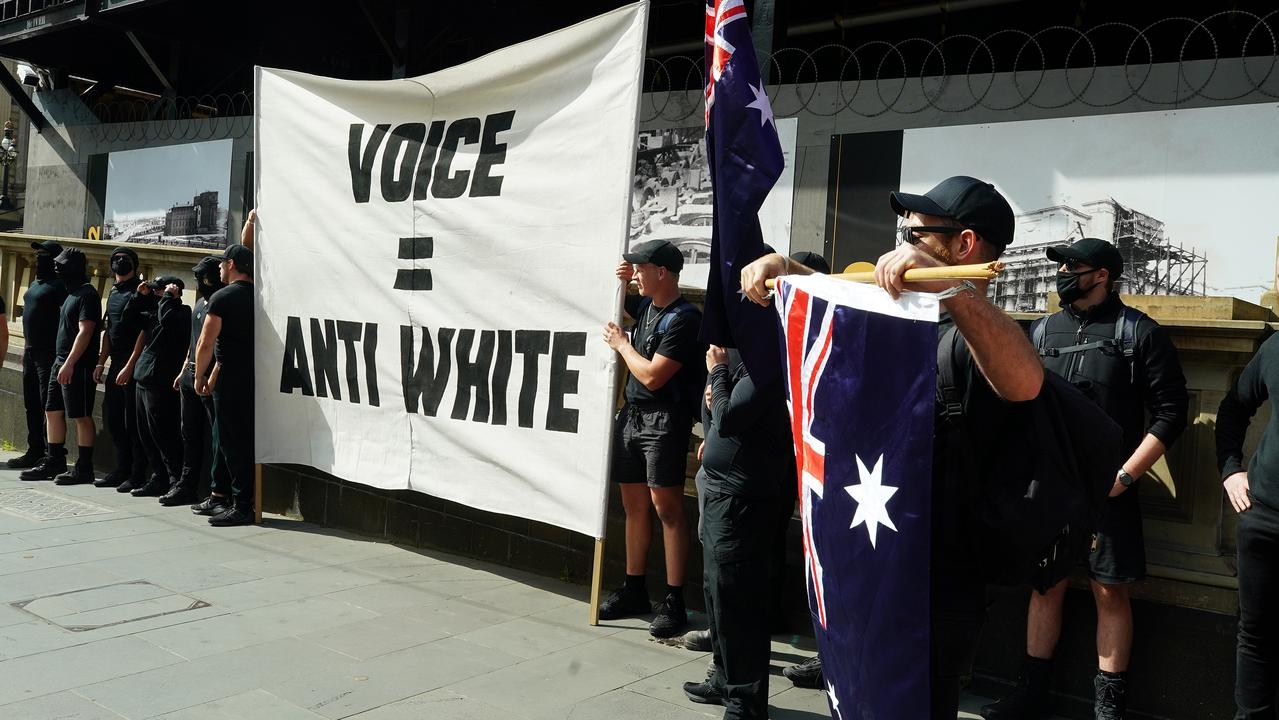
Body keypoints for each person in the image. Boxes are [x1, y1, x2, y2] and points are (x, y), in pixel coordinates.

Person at [740, 175, 1045, 718]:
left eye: (917, 234)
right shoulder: (903, 317)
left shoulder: (980, 331)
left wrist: (950, 290)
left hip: (934, 582)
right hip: (872, 555)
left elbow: (1024, 382)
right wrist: (787, 270)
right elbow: (844, 300)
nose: (901, 243)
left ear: (965, 246)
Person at [982, 238, 1188, 720]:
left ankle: (1108, 709)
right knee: (1044, 584)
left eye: (1074, 266)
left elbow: (1171, 413)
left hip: (1108, 488)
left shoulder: (1139, 332)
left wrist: (1125, 475)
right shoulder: (1038, 331)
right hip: (1048, 487)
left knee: (1109, 590)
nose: (1063, 274)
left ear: (1103, 275)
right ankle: (1030, 694)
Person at [598, 238, 703, 638]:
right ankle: (634, 587)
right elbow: (623, 297)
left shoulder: (684, 319)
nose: (638, 275)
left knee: (667, 509)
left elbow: (653, 375)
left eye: (642, 269)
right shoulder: (646, 307)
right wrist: (623, 281)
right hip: (632, 416)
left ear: (663, 272)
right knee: (633, 504)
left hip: (664, 420)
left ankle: (674, 598)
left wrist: (622, 343)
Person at [681, 343, 790, 719]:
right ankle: (724, 679)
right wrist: (717, 388)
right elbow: (715, 415)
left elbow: (729, 415)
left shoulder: (767, 361)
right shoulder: (736, 358)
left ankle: (746, 699)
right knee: (717, 594)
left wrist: (718, 374)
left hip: (743, 500)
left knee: (739, 600)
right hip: (719, 491)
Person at [1215, 320, 1279, 719]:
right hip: (1265, 520)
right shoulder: (1276, 347)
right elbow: (1233, 407)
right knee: (1255, 636)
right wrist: (1230, 469)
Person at [20, 248, 101, 485]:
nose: (57, 269)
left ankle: (84, 468)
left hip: (77, 366)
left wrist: (70, 363)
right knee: (51, 410)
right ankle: (54, 459)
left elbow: (86, 331)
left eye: (62, 266)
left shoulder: (88, 295)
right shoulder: (71, 293)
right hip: (59, 362)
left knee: (81, 415)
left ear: (75, 268)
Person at [194, 243, 255, 526]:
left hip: (230, 378)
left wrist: (198, 375)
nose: (219, 268)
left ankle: (242, 505)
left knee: (232, 441)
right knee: (230, 437)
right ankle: (223, 495)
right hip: (252, 375)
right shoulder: (261, 297)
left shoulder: (222, 298)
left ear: (231, 264)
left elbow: (207, 342)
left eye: (221, 263)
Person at [122, 276, 192, 500]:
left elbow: (168, 320)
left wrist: (169, 298)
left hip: (161, 381)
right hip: (143, 377)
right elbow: (127, 321)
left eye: (159, 291)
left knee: (163, 433)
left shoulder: (181, 312)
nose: (155, 294)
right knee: (146, 433)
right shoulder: (155, 309)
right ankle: (158, 477)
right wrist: (137, 297)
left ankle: (175, 480)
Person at [94, 245, 148, 491]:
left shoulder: (140, 292)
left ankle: (137, 474)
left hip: (132, 365)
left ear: (134, 265)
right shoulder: (114, 292)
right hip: (115, 363)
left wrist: (129, 366)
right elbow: (108, 330)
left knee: (131, 422)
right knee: (113, 418)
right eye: (116, 259)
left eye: (125, 259)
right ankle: (121, 468)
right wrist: (101, 361)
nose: (120, 263)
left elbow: (142, 333)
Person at [178, 256, 230, 509]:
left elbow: (215, 347)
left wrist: (208, 376)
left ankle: (216, 490)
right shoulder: (200, 303)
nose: (198, 281)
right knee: (189, 433)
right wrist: (184, 371)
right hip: (191, 375)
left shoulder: (220, 305)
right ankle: (187, 483)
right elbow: (194, 343)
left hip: (209, 379)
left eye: (202, 276)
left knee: (214, 437)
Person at [8, 241, 66, 470]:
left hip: (48, 353)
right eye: (37, 254)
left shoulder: (60, 285)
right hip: (30, 352)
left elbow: (65, 321)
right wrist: (24, 349)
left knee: (47, 404)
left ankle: (52, 453)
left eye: (43, 254)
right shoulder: (35, 283)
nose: (38, 257)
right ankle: (34, 449)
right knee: (31, 402)